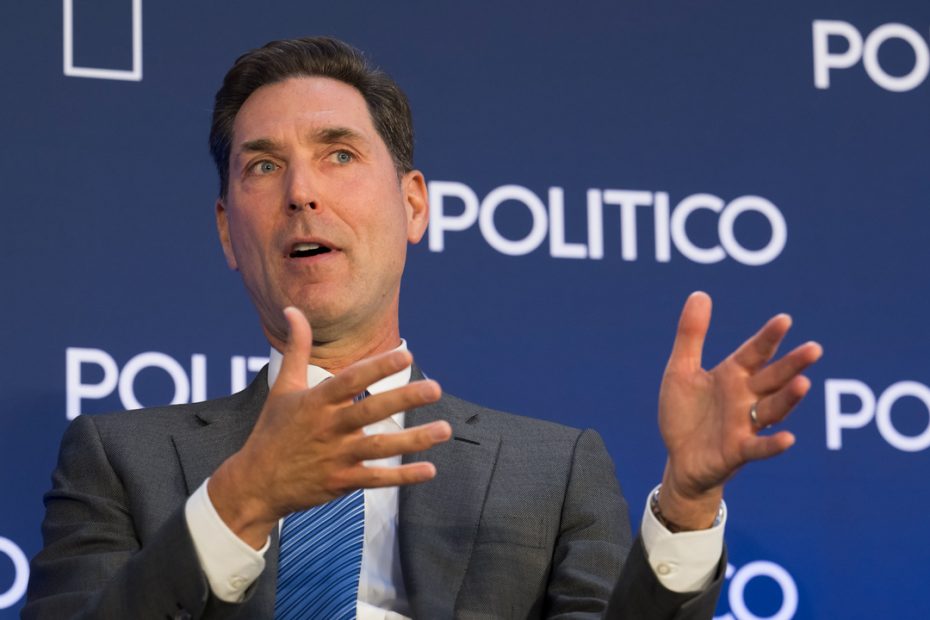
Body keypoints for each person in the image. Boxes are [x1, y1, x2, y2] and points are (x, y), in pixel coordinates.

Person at [24, 37, 822, 619]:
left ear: (413, 205)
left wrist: (685, 505)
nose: (301, 191)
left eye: (339, 154)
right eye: (263, 166)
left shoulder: (551, 472)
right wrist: (239, 500)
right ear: (228, 231)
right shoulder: (117, 460)